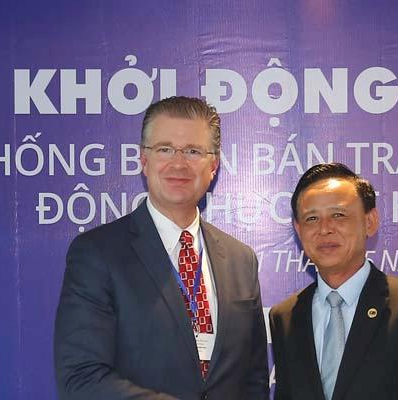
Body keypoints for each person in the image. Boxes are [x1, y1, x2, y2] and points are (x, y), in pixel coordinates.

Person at [54, 96, 268, 400]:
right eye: (165, 149)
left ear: (214, 165)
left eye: (193, 151)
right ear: (144, 160)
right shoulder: (97, 254)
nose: (178, 163)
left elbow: (254, 379)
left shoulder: (241, 260)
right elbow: (81, 378)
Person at [268, 163, 398, 400]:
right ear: (298, 229)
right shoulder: (284, 316)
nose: (324, 229)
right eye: (312, 218)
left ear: (370, 221)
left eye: (338, 215)